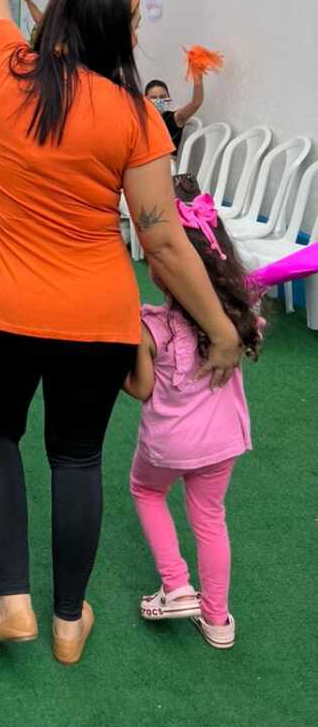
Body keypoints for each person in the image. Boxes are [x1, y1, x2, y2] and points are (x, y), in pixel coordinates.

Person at [0, 0, 242, 665]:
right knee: (76, 456)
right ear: (114, 35)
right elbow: (163, 240)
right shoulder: (134, 116)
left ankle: (13, 600)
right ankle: (66, 621)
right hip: (94, 316)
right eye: (133, 21)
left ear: (54, 22)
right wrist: (220, 327)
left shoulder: (3, 70)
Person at [124, 178, 262, 650]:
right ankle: (217, 619)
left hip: (168, 445)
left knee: (146, 491)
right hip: (223, 442)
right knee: (210, 518)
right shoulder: (239, 316)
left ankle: (177, 586)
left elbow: (141, 389)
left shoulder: (151, 326)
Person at [145, 75, 205, 154]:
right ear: (145, 100)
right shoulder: (139, 120)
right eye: (154, 98)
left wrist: (198, 79)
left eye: (162, 97)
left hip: (168, 160)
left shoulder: (175, 118)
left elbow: (196, 103)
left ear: (168, 98)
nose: (158, 101)